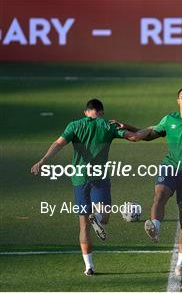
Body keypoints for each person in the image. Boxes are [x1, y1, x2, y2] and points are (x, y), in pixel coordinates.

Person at [30, 99, 141, 276]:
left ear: (85, 112)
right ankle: (95, 217)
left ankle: (89, 267)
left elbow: (58, 143)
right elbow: (136, 137)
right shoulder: (108, 125)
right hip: (100, 176)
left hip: (79, 178)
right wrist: (127, 125)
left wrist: (43, 160)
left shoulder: (74, 125)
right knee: (104, 217)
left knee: (83, 226)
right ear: (102, 112)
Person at [113, 86, 182, 279]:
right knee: (160, 194)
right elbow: (149, 134)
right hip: (170, 166)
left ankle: (181, 264)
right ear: (178, 101)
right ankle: (155, 226)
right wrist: (127, 127)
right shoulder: (169, 119)